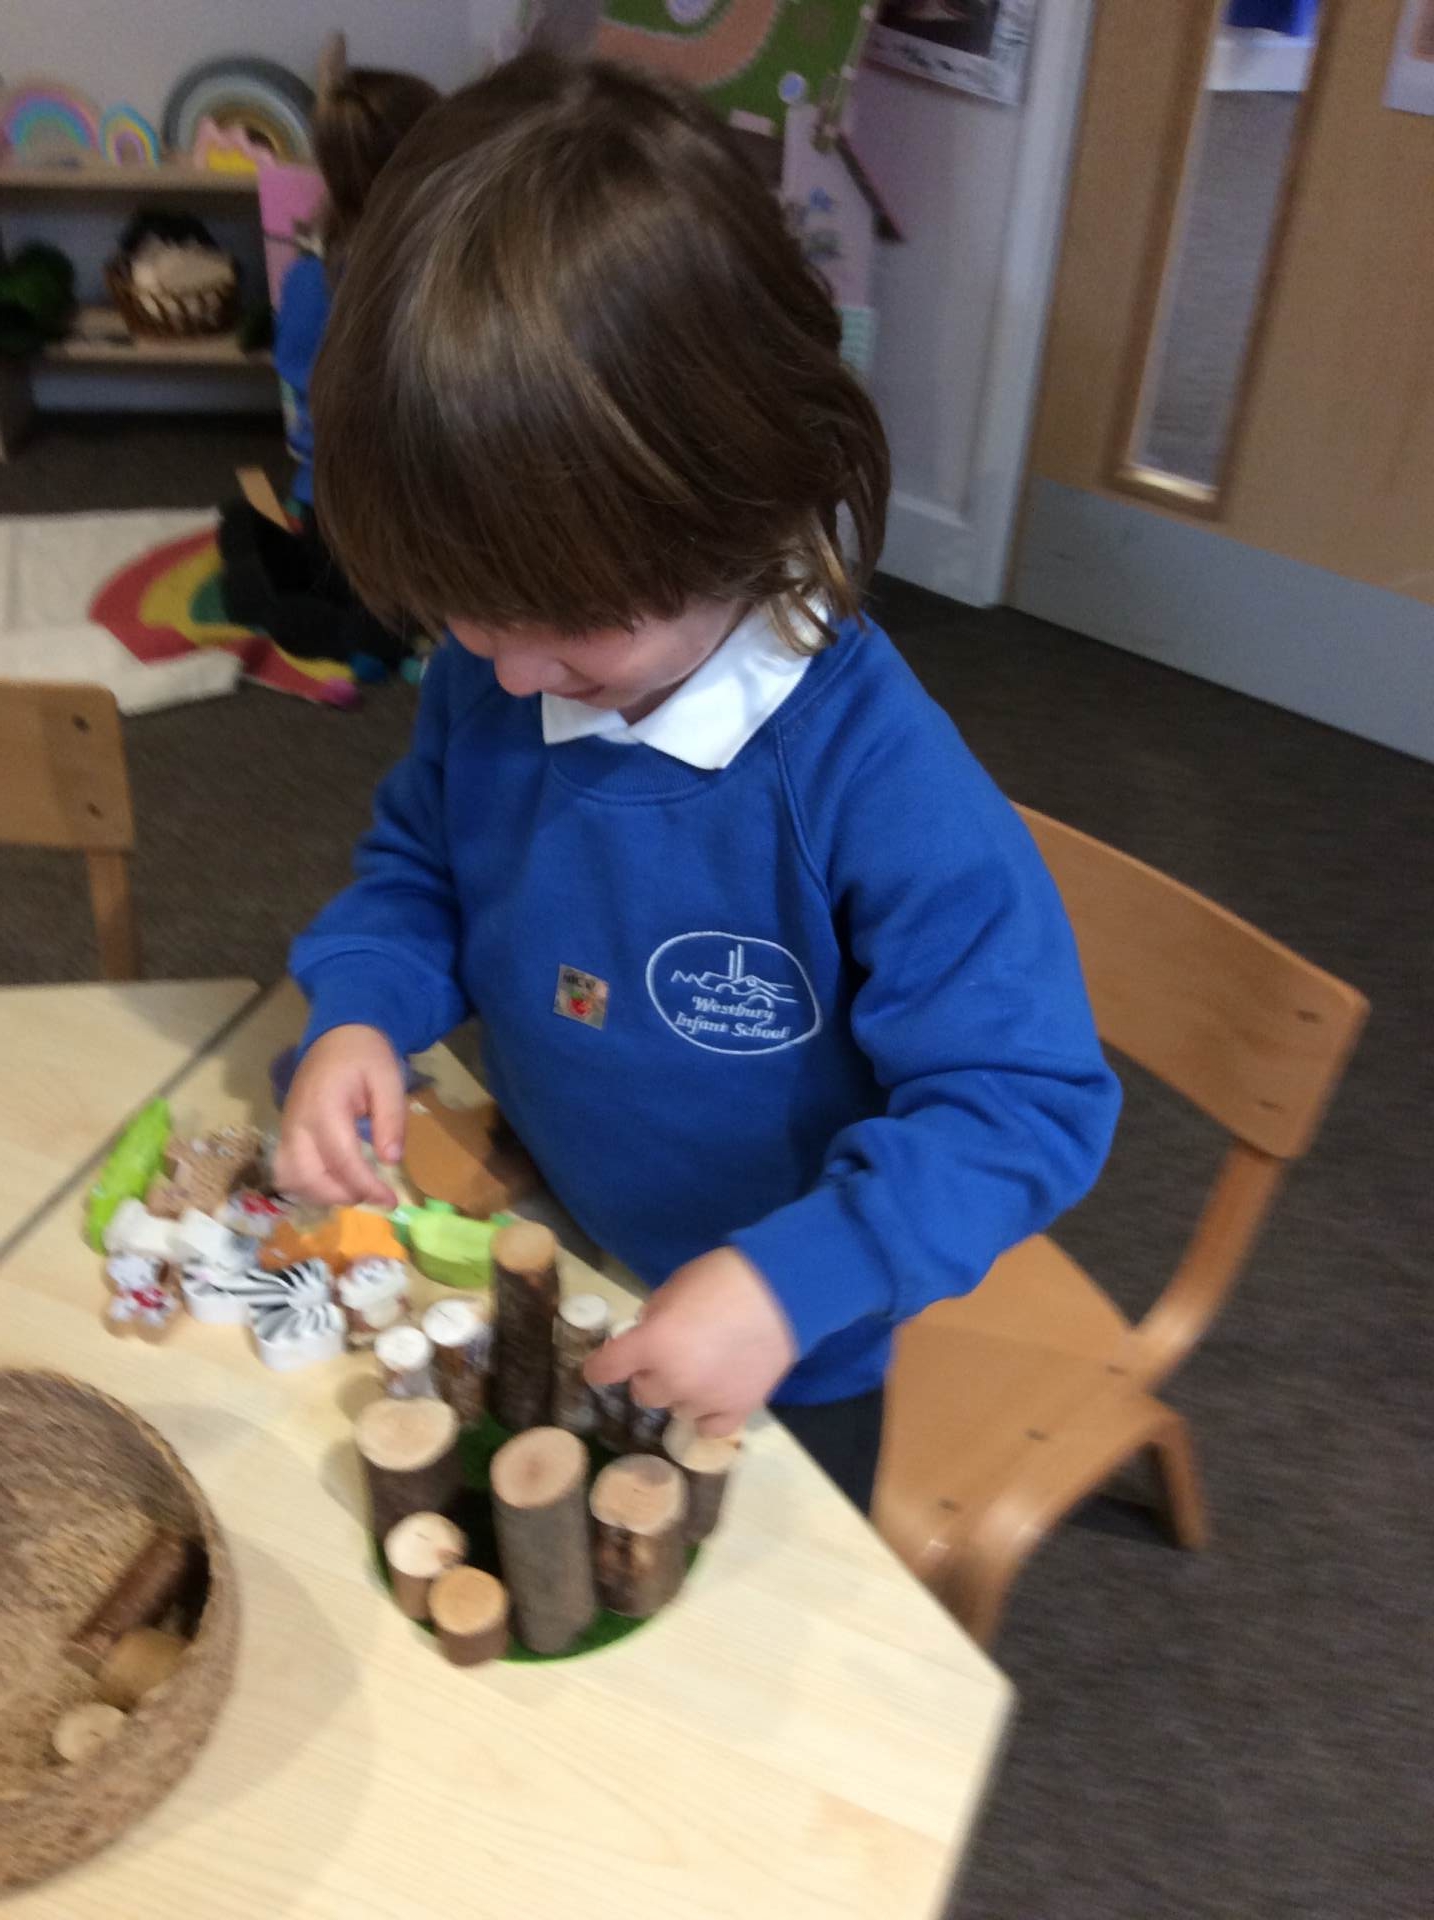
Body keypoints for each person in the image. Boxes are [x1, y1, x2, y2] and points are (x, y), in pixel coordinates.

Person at [275, 53, 1121, 1513]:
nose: (509, 674)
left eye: (564, 625)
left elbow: (1024, 1102)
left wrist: (797, 1282)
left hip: (792, 1351)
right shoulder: (508, 662)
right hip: (565, 1237)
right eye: (464, 614)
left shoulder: (876, 781)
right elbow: (422, 871)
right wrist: (361, 1006)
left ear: (739, 504)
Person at [219, 66, 439, 672]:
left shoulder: (310, 276)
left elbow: (297, 376)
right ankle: (339, 625)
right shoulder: (421, 281)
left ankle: (272, 562)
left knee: (321, 563)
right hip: (391, 521)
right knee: (394, 618)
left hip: (327, 501)